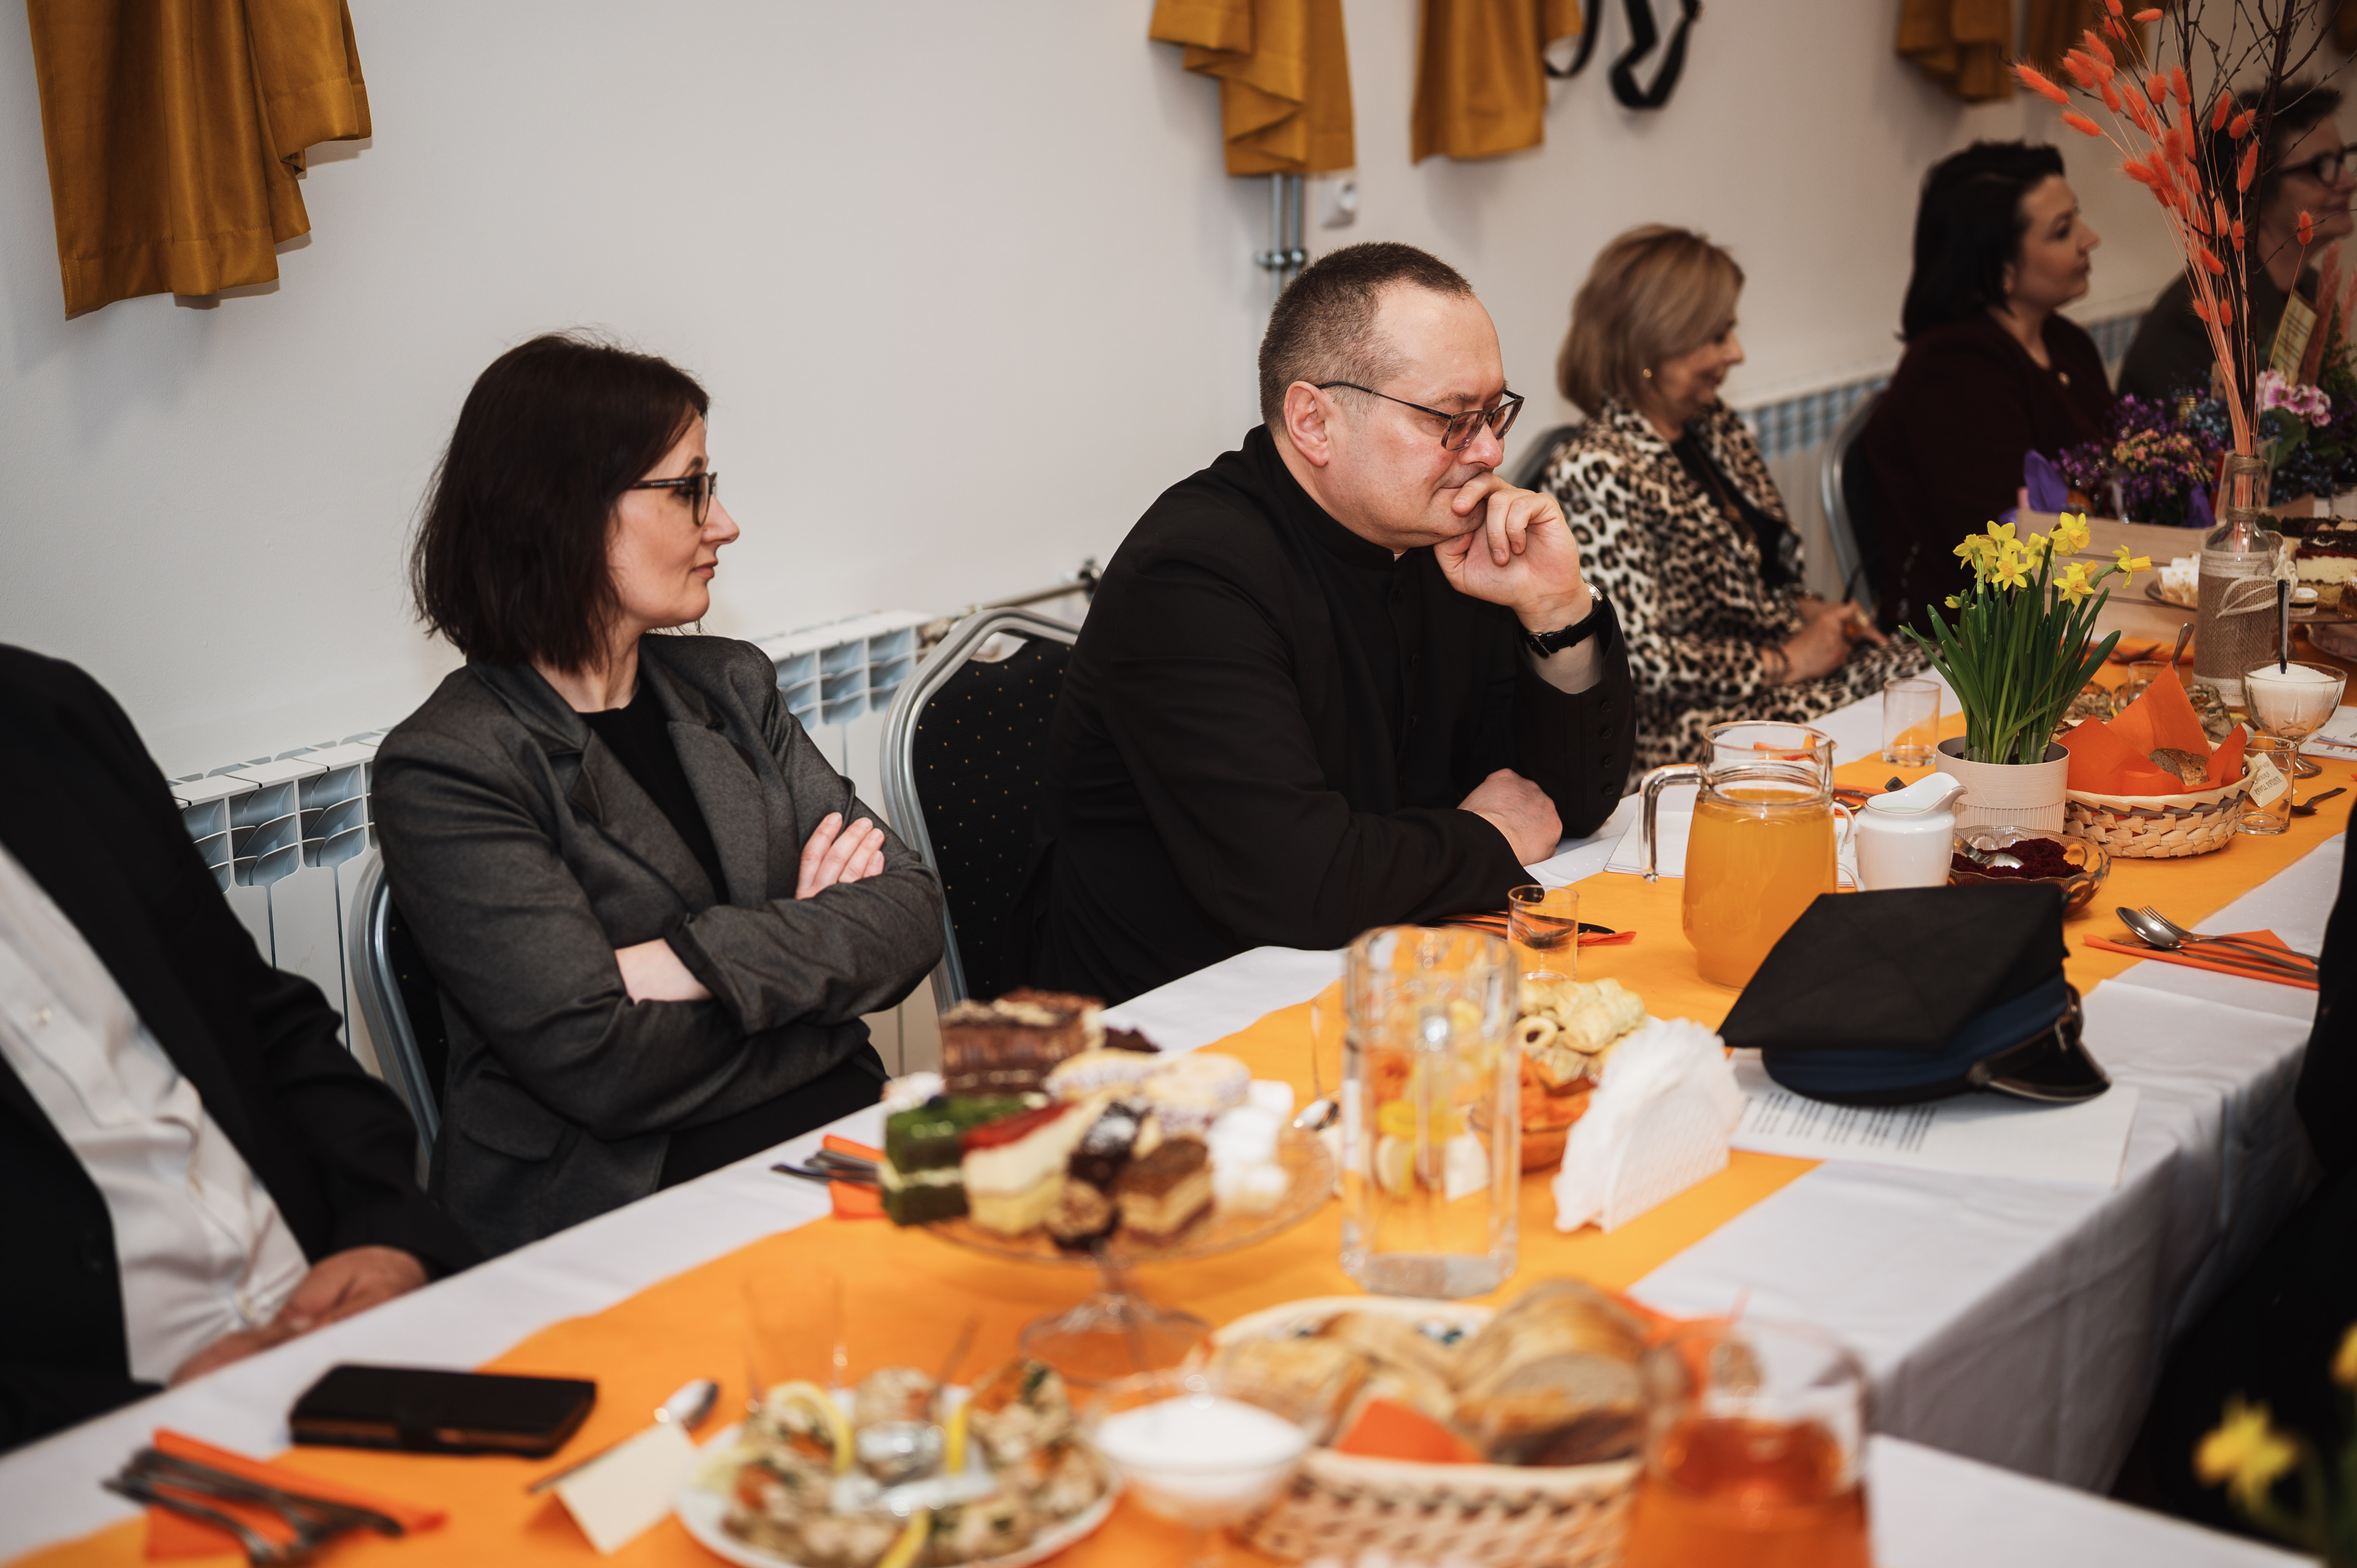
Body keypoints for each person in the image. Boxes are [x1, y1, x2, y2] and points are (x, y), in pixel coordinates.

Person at [373, 335, 943, 1258]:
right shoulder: (449, 765)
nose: (726, 524)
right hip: (618, 1209)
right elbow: (599, 1062)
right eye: (691, 489)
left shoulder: (733, 685)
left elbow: (910, 912)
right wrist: (810, 975)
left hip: (831, 1143)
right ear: (568, 512)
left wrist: (678, 961)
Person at [1006, 242, 1636, 1006]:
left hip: (1388, 964)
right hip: (1180, 1016)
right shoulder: (1191, 573)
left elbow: (1568, 801)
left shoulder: (1443, 537)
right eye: (1452, 419)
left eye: (1494, 413)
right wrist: (1489, 836)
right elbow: (1303, 882)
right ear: (1314, 421)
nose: (1490, 450)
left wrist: (1556, 608)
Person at [0, 645, 475, 1451]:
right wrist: (116, 1417)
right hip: (90, 1442)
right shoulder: (453, 757)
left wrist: (387, 1228)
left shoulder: (47, 713)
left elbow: (269, 1021)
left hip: (339, 1311)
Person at [1535, 226, 1925, 775]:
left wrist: (1809, 609)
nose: (1736, 353)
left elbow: (1761, 573)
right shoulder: (1595, 470)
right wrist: (1785, 661)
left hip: (1771, 682)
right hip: (1688, 723)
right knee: (1902, 714)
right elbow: (1638, 660)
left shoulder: (1712, 424)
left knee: (1934, 674)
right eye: (1717, 336)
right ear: (1654, 344)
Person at [1859, 142, 2113, 632]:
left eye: (2077, 218)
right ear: (2002, 269)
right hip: (1978, 648)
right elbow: (2004, 560)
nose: (2090, 239)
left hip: (2070, 616)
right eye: (2063, 231)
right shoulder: (1953, 371)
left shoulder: (2067, 342)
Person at [2118, 84, 2354, 403]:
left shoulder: (2310, 288)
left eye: (2343, 159)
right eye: (2322, 167)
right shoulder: (2199, 321)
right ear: (2255, 190)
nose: (2349, 182)